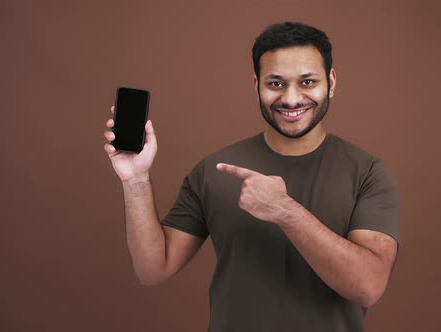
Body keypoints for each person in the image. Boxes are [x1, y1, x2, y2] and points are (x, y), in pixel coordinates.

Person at [103, 22, 399, 332]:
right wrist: (135, 180)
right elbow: (154, 268)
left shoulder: (367, 173)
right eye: (276, 84)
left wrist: (285, 210)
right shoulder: (214, 170)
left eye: (308, 81)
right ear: (256, 84)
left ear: (332, 81)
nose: (292, 99)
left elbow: (369, 285)